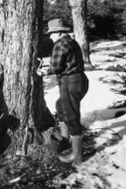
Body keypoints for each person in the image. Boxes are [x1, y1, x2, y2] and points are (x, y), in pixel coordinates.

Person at [37, 18, 89, 164]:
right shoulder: (72, 42)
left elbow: (55, 67)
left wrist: (44, 72)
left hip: (71, 82)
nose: (50, 36)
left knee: (72, 116)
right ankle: (65, 140)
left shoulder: (60, 44)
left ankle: (77, 154)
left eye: (52, 33)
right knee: (60, 106)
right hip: (79, 80)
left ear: (59, 32)